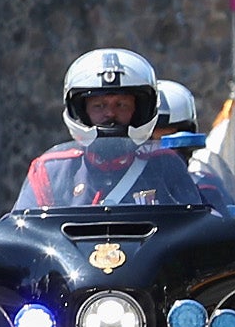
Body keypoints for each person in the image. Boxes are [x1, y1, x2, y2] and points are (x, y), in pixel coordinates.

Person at [12, 49, 217, 215]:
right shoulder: (52, 170)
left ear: (139, 111)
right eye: (99, 106)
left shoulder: (166, 165)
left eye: (121, 105)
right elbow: (19, 231)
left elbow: (202, 226)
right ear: (81, 111)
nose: (110, 114)